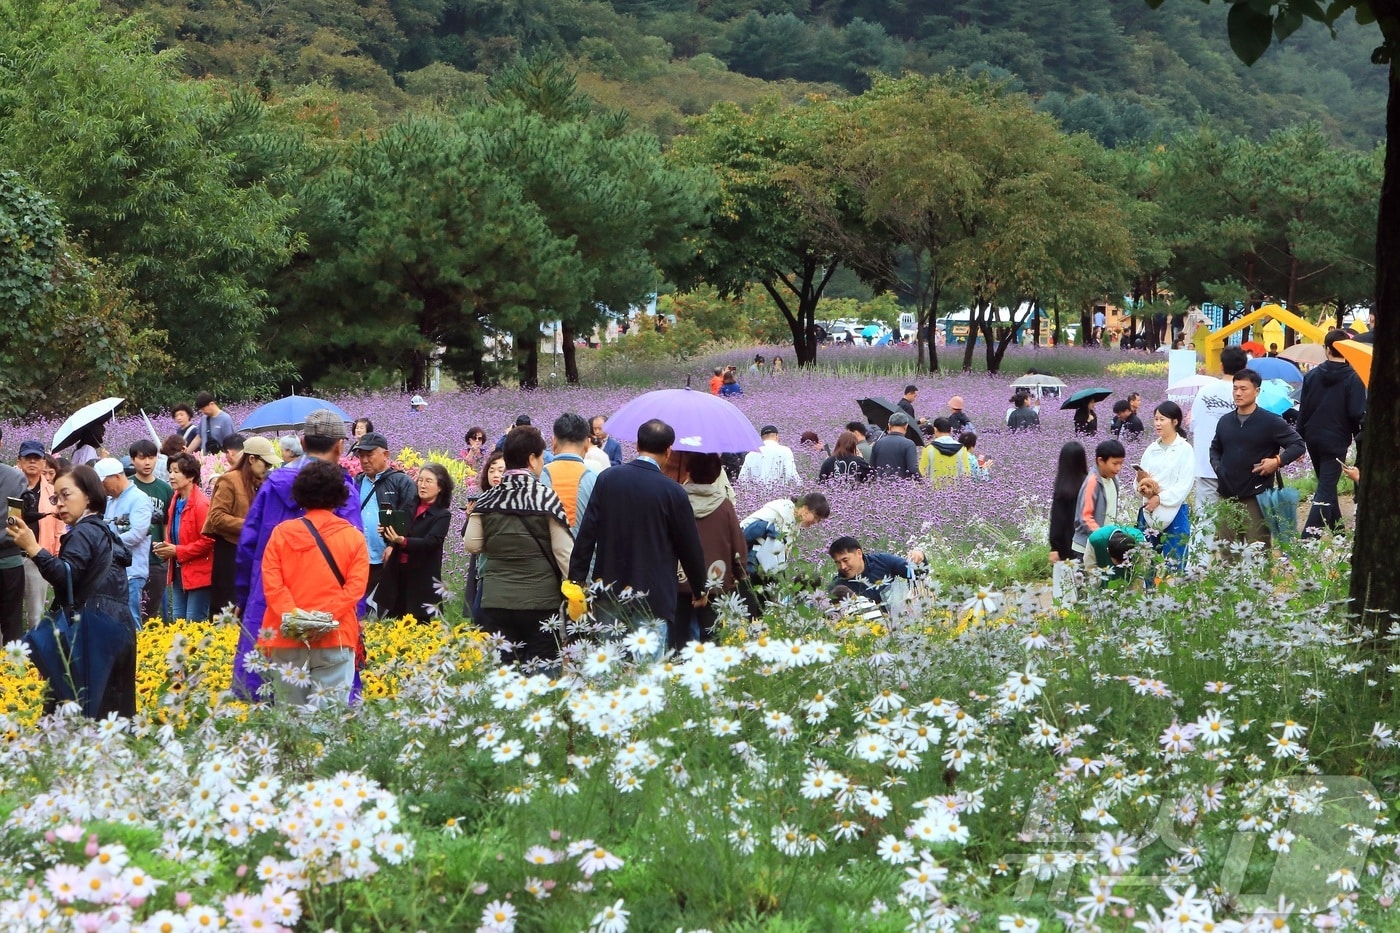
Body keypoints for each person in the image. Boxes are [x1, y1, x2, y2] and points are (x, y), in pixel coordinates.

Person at [234, 410, 362, 701]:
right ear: (340, 446)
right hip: (331, 615)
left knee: (278, 698)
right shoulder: (343, 491)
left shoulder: (273, 484)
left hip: (276, 606)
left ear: (302, 442)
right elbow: (355, 563)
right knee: (329, 708)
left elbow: (248, 546)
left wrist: (244, 598)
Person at [4, 464, 136, 718]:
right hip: (117, 626)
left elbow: (66, 577)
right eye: (56, 498)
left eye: (66, 495)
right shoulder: (104, 530)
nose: (59, 504)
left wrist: (33, 548)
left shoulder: (83, 532)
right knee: (113, 716)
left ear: (88, 495)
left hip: (91, 631)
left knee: (74, 717)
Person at [569, 419, 708, 639]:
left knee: (609, 665)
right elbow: (689, 546)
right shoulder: (673, 492)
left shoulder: (608, 479)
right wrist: (699, 588)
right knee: (648, 668)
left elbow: (587, 533)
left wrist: (576, 579)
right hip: (654, 594)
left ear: (637, 446)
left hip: (609, 588)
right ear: (669, 450)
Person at [256, 459, 369, 707]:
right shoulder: (353, 537)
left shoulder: (281, 533)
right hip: (335, 635)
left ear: (300, 494)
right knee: (328, 718)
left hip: (288, 636)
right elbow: (355, 590)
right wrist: (322, 619)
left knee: (290, 716)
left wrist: (296, 618)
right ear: (340, 495)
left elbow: (273, 586)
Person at [466, 427, 573, 664]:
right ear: (532, 459)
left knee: (503, 673)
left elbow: (472, 544)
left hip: (495, 600)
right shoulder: (546, 497)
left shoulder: (487, 498)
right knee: (544, 671)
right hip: (541, 601)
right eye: (542, 457)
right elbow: (563, 552)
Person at [1209, 369, 1306, 548]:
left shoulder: (1271, 421)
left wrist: (1277, 461)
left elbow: (1298, 445)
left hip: (1255, 496)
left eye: (1244, 389)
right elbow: (1215, 448)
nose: (1238, 393)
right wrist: (1218, 467)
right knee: (1227, 552)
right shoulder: (1225, 421)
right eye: (1235, 388)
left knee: (1258, 552)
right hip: (1226, 496)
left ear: (1257, 391)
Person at [1296, 329, 1366, 536]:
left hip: (1312, 437)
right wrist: (1359, 432)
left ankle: (1339, 534)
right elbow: (1356, 412)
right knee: (1326, 489)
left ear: (1326, 349)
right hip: (1336, 439)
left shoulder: (1311, 375)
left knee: (1327, 485)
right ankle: (1308, 538)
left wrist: (1299, 439)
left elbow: (1304, 409)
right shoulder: (1353, 377)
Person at [676, 453, 748, 650]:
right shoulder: (724, 506)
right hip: (715, 580)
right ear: (717, 475)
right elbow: (737, 546)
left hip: (678, 581)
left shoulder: (675, 500)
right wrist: (741, 573)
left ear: (688, 471)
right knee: (712, 635)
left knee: (679, 638)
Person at [203, 436, 279, 616]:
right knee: (226, 608)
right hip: (229, 550)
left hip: (250, 550)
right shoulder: (229, 480)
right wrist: (252, 526)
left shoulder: (260, 483)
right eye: (265, 464)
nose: (268, 468)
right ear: (251, 459)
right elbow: (216, 517)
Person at [1189, 346, 1250, 563]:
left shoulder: (1205, 392)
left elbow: (1193, 425)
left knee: (1204, 521)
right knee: (1234, 522)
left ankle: (1196, 568)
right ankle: (1233, 568)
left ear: (1221, 365)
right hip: (1235, 470)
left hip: (1205, 466)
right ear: (1244, 367)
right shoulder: (1245, 393)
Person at [350, 431, 417, 617]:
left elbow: (410, 517)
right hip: (359, 559)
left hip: (387, 560)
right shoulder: (356, 482)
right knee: (360, 611)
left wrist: (393, 545)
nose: (364, 460)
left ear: (385, 455)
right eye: (360, 455)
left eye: (369, 454)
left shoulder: (401, 481)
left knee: (386, 614)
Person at [380, 462, 453, 620]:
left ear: (440, 487)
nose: (422, 485)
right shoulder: (409, 505)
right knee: (394, 620)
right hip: (398, 572)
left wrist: (402, 541)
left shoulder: (442, 514)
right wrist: (388, 532)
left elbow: (431, 542)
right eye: (420, 480)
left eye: (428, 481)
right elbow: (400, 531)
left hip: (421, 576)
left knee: (418, 622)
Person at [153, 454, 214, 622]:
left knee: (193, 624)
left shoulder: (202, 504)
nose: (171, 476)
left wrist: (177, 550)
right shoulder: (176, 500)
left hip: (199, 574)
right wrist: (166, 547)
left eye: (176, 471)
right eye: (170, 471)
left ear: (191, 476)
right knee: (178, 622)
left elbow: (209, 541)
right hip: (180, 571)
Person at [1135, 401, 1194, 574]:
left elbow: (1184, 484)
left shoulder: (1184, 449)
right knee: (1145, 561)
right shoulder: (1151, 449)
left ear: (1175, 421)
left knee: (1175, 562)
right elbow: (1139, 483)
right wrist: (1140, 481)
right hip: (1148, 511)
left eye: (1162, 419)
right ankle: (1148, 595)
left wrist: (1160, 498)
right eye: (1155, 419)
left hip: (1174, 511)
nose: (1158, 423)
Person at [94, 457, 152, 628]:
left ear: (117, 477)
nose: (103, 488)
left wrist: (106, 541)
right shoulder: (111, 501)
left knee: (131, 619)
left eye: (104, 483)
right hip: (111, 571)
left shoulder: (139, 499)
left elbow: (136, 534)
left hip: (132, 572)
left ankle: (140, 652)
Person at [13, 439, 62, 632]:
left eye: (37, 458)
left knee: (36, 613)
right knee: (7, 611)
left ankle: (36, 657)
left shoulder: (53, 492)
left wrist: (55, 556)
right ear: (19, 461)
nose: (32, 462)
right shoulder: (10, 486)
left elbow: (59, 526)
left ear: (43, 463)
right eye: (28, 458)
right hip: (11, 555)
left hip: (38, 556)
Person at [130, 439, 173, 624]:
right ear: (133, 460)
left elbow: (167, 523)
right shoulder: (127, 487)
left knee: (151, 613)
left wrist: (166, 550)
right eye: (142, 458)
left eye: (151, 457)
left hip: (156, 560)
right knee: (131, 611)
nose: (147, 463)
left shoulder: (165, 489)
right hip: (131, 559)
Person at [740, 492, 830, 578]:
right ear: (805, 508)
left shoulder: (795, 523)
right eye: (816, 517)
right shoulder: (783, 512)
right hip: (745, 551)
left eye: (819, 520)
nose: (816, 522)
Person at [826, 536, 926, 613]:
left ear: (859, 553)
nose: (843, 567)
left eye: (845, 560)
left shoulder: (883, 561)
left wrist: (919, 558)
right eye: (838, 563)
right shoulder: (837, 587)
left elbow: (916, 573)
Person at [461, 450, 505, 622]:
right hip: (481, 569)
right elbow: (467, 537)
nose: (495, 474)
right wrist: (470, 516)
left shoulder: (510, 501)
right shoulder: (484, 498)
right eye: (492, 470)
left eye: (501, 470)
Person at [1071, 439, 1126, 570]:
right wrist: (1105, 536)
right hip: (1086, 546)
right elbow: (1085, 518)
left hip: (1104, 543)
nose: (1118, 468)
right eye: (1115, 463)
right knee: (1086, 587)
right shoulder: (1092, 482)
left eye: (1121, 463)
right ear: (1100, 461)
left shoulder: (1113, 480)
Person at [541, 413, 599, 531]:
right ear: (587, 443)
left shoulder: (541, 476)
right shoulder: (595, 479)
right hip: (584, 549)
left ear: (554, 441)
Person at [0, 430, 31, 642]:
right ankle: (14, 672)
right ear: (2, 443)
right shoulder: (16, 477)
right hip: (9, 559)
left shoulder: (14, 477)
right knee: (12, 624)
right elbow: (15, 523)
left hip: (8, 561)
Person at [1048, 441, 1088, 604]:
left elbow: (1057, 520)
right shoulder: (1088, 484)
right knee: (1084, 588)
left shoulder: (1061, 488)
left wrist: (1054, 546)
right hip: (1084, 544)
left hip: (1064, 547)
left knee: (1065, 592)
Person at [920, 418, 973, 487]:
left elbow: (921, 475)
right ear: (951, 430)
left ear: (935, 430)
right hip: (957, 494)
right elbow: (966, 475)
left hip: (933, 494)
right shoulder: (962, 449)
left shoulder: (928, 449)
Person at [868, 413, 921, 481]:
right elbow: (913, 469)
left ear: (889, 426)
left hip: (880, 487)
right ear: (906, 426)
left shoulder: (878, 443)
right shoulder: (909, 444)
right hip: (901, 487)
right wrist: (922, 482)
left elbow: (872, 467)